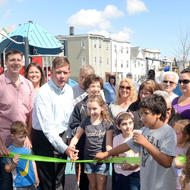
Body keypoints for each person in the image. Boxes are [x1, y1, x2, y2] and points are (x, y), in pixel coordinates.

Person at [95, 94, 177, 190]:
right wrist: (106, 154)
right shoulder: (144, 130)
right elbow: (127, 145)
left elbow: (167, 162)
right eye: (141, 114)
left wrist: (146, 144)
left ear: (158, 114)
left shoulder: (168, 133)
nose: (142, 117)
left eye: (146, 113)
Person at [31, 57, 78, 190]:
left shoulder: (69, 90)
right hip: (44, 140)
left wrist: (69, 140)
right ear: (51, 72)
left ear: (69, 73)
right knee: (48, 184)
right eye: (58, 72)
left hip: (62, 137)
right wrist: (65, 148)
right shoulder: (43, 93)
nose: (62, 76)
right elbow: (48, 129)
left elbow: (69, 119)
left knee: (59, 180)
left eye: (65, 72)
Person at [0, 49, 34, 190]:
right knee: (6, 183)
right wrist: (0, 144)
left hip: (22, 145)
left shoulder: (28, 85)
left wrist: (28, 136)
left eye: (18, 60)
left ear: (22, 63)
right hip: (4, 146)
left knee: (23, 182)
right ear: (6, 63)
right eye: (12, 60)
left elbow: (30, 115)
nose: (15, 63)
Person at [70, 95, 113, 190]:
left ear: (102, 108)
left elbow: (108, 144)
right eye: (89, 109)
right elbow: (76, 136)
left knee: (101, 187)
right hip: (88, 160)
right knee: (93, 186)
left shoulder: (107, 123)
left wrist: (109, 154)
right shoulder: (86, 121)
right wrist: (71, 146)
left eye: (94, 108)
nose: (92, 112)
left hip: (102, 160)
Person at [69, 74, 104, 190]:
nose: (96, 89)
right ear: (87, 88)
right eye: (93, 86)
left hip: (100, 149)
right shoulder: (79, 106)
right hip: (83, 148)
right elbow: (73, 125)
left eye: (98, 86)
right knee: (84, 179)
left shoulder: (105, 106)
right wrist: (84, 131)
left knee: (100, 181)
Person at [4, 121, 39, 190]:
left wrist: (36, 176)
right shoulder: (10, 151)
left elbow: (33, 162)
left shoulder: (28, 147)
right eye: (21, 137)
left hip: (32, 182)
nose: (24, 139)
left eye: (25, 136)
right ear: (12, 136)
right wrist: (13, 164)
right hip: (19, 185)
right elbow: (7, 169)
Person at [113, 112, 140, 190]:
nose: (128, 126)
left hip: (135, 173)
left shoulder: (138, 135)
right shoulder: (116, 139)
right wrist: (122, 163)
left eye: (130, 123)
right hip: (120, 172)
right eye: (124, 124)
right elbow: (115, 155)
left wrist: (133, 166)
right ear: (118, 126)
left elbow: (141, 156)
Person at [173, 120, 190, 190]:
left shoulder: (188, 149)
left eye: (177, 133)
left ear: (186, 136)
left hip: (183, 186)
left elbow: (184, 161)